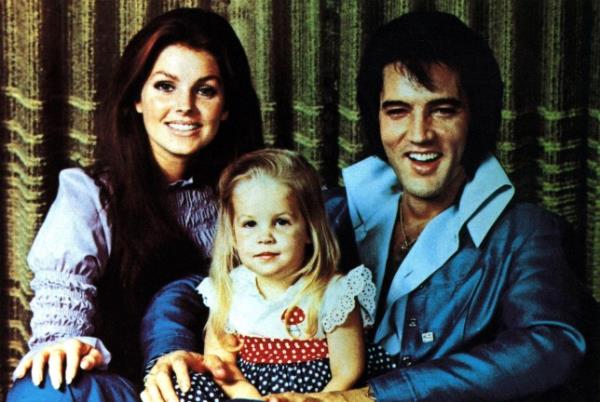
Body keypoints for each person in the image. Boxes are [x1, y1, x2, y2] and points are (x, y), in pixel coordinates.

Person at [140, 10, 598, 402]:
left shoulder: (525, 230)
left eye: (443, 110)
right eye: (398, 110)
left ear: (475, 116)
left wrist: (372, 396)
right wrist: (171, 354)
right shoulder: (337, 211)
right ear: (376, 118)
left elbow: (553, 343)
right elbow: (195, 287)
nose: (419, 134)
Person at [7, 7, 262, 402]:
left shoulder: (251, 194)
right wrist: (66, 344)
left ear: (226, 107)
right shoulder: (91, 195)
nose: (185, 107)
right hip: (124, 388)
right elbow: (62, 307)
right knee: (44, 389)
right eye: (165, 86)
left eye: (205, 90)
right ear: (137, 98)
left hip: (222, 381)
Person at [165, 148, 375, 402]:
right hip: (245, 395)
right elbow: (222, 366)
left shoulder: (334, 292)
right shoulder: (229, 290)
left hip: (317, 396)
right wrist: (250, 398)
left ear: (309, 230)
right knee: (186, 388)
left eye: (281, 222)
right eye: (250, 224)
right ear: (232, 235)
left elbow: (348, 370)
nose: (265, 237)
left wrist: (310, 399)